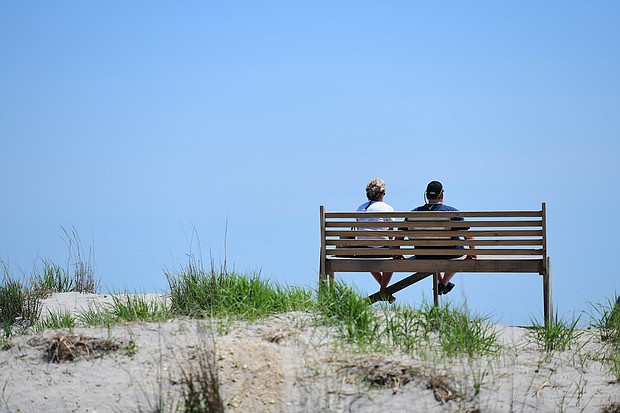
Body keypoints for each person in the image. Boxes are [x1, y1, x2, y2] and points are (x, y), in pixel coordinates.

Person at [409, 180, 476, 295]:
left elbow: (400, 235)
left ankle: (443, 283)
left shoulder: (414, 213)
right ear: (442, 195)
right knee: (457, 244)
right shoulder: (452, 212)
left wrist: (398, 253)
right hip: (449, 253)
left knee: (432, 249)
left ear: (426, 195)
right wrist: (473, 252)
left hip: (423, 254)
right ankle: (444, 283)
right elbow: (467, 235)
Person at [356, 178, 396, 302]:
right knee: (392, 259)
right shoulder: (387, 208)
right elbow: (391, 232)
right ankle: (384, 290)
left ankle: (384, 291)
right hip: (382, 250)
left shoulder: (360, 208)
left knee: (369, 258)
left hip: (364, 252)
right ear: (381, 194)